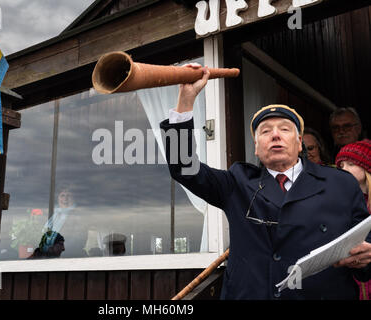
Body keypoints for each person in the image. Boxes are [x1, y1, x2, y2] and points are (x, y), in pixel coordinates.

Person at [159, 64, 371, 299]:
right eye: (265, 131)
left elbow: (364, 240)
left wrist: (366, 257)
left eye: (285, 129)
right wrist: (186, 100)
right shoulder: (236, 183)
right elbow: (183, 167)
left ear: (299, 143)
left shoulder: (341, 183)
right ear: (257, 148)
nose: (275, 135)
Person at [335, 139, 371, 300]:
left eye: (350, 164)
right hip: (351, 277)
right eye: (341, 166)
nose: (344, 169)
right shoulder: (339, 200)